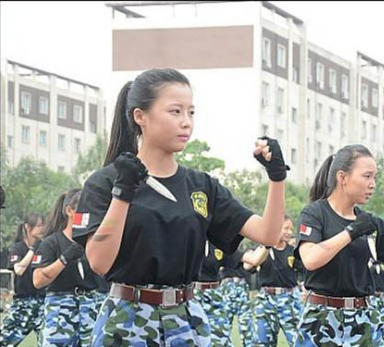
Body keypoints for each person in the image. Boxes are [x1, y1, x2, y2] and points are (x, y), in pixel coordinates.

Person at [72, 68, 288, 347]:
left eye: (191, 112)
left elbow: (268, 235)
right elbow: (99, 262)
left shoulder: (201, 186)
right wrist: (123, 191)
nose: (186, 122)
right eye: (175, 112)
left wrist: (277, 176)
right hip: (127, 320)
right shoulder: (105, 182)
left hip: (186, 319)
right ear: (141, 116)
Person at [295, 144, 384, 346]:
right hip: (321, 320)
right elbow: (311, 259)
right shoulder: (315, 213)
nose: (373, 184)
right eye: (367, 176)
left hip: (362, 320)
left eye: (375, 177)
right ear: (342, 177)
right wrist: (352, 231)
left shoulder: (371, 224)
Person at [32, 189, 99, 347]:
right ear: (70, 211)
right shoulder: (51, 242)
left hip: (89, 306)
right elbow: (38, 280)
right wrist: (64, 258)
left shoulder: (93, 242)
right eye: (83, 209)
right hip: (60, 308)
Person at [250, 215, 304, 346]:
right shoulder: (263, 250)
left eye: (291, 229)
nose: (289, 232)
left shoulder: (293, 252)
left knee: (297, 340)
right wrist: (266, 244)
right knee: (262, 342)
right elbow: (250, 265)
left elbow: (305, 270)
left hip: (289, 300)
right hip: (266, 301)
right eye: (286, 228)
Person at [0, 213, 46, 347]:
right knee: (4, 340)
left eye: (43, 225)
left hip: (43, 302)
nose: (42, 229)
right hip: (23, 303)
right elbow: (19, 270)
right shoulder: (18, 248)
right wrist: (33, 249)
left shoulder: (45, 246)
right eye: (39, 226)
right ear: (28, 227)